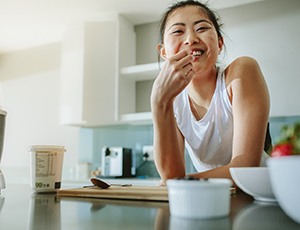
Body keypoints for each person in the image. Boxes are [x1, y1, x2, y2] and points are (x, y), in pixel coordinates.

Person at [150, 0, 271, 185]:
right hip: (212, 199)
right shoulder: (172, 100)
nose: (191, 39)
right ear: (163, 52)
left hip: (261, 196)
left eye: (201, 28)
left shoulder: (241, 72)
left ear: (220, 43)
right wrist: (158, 101)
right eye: (178, 31)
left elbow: (245, 168)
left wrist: (181, 182)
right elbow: (171, 174)